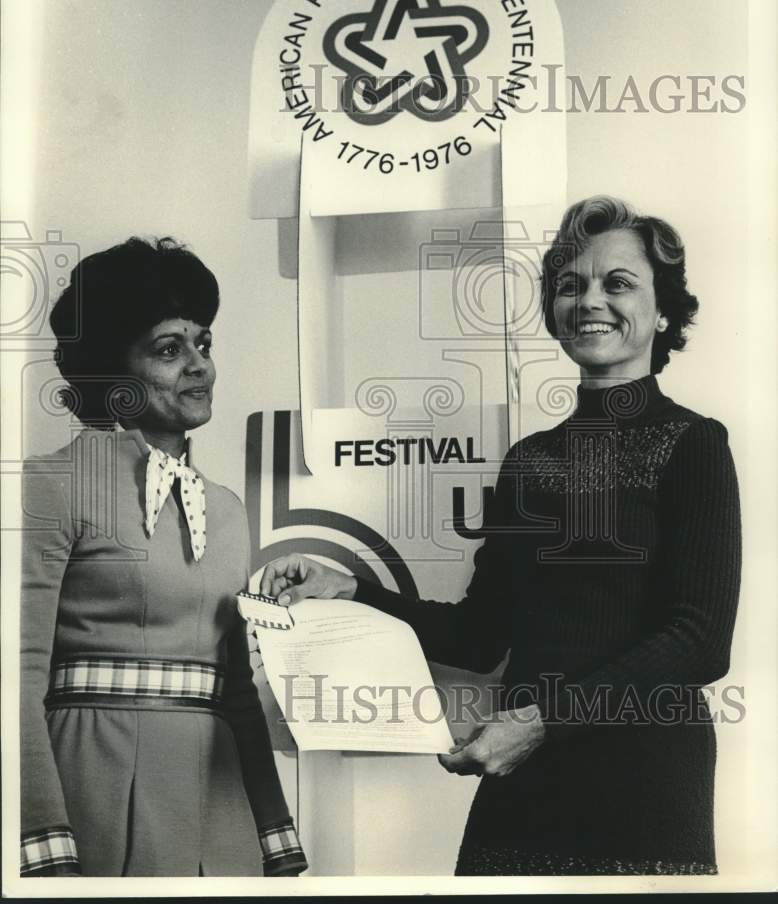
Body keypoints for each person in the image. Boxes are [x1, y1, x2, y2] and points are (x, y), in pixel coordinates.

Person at [260, 195, 742, 876]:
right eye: (569, 285)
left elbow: (699, 642)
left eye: (619, 282)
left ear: (663, 311)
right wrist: (352, 591)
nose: (589, 300)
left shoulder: (695, 444)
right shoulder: (529, 460)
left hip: (643, 776)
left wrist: (536, 722)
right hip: (528, 771)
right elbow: (481, 634)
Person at [21, 237, 307, 877]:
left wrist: (274, 836)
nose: (200, 366)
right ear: (108, 369)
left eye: (204, 344)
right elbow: (14, 677)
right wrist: (41, 839)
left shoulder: (229, 510)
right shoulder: (48, 485)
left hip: (218, 800)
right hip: (93, 789)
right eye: (169, 349)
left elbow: (236, 691)